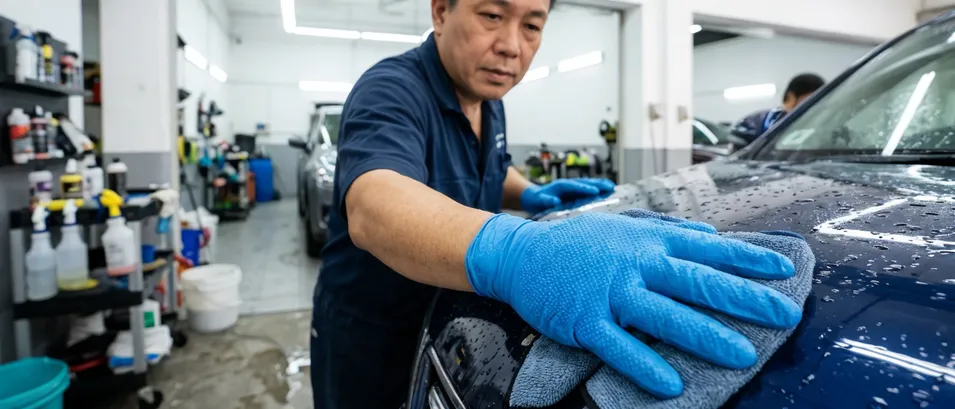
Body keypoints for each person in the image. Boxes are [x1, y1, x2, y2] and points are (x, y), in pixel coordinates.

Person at [311, 0, 803, 408]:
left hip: (447, 313)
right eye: (490, 15)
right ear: (441, 12)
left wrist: (528, 193)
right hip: (373, 330)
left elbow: (489, 164)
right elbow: (374, 206)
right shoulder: (392, 89)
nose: (511, 46)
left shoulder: (488, 98)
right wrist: (512, 251)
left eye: (531, 25)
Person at [731, 73, 825, 144]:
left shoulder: (821, 126)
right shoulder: (758, 123)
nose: (813, 108)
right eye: (808, 101)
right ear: (790, 97)